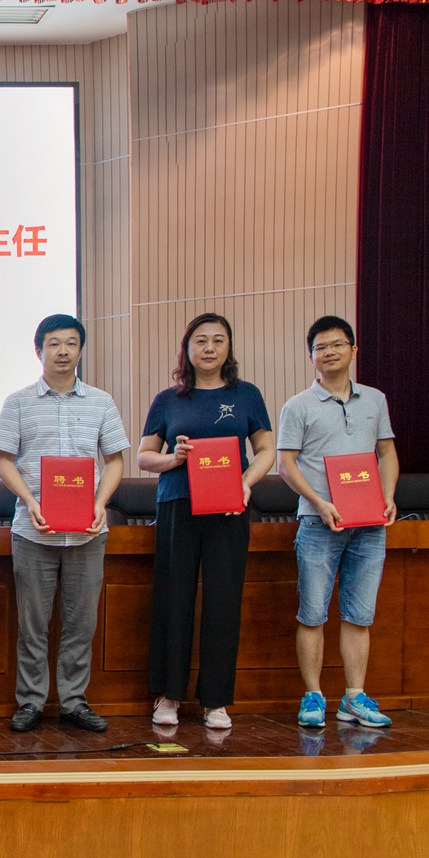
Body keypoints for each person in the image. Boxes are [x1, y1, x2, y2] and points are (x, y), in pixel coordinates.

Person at [0, 314, 128, 734]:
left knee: (81, 623)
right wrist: (30, 501)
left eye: (71, 343)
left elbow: (115, 460)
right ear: (39, 351)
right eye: (54, 343)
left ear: (80, 349)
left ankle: (73, 702)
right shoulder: (18, 402)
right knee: (32, 623)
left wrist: (101, 503)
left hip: (87, 531)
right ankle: (31, 701)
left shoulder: (101, 402)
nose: (63, 351)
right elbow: (3, 459)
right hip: (34, 531)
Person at [138, 313, 275, 730]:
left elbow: (266, 450)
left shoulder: (247, 395)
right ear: (188, 348)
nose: (209, 348)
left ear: (228, 347)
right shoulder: (168, 399)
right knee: (173, 598)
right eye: (200, 340)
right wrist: (173, 458)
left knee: (223, 601)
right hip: (178, 504)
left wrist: (246, 482)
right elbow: (144, 457)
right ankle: (169, 695)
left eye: (218, 340)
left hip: (229, 508)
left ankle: (216, 700)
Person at [277, 315, 399, 730]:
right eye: (320, 347)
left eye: (337, 345)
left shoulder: (375, 400)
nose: (329, 352)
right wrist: (319, 502)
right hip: (318, 523)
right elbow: (286, 464)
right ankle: (313, 696)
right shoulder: (297, 405)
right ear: (311, 356)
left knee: (360, 615)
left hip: (368, 525)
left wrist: (387, 495)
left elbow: (386, 453)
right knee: (312, 613)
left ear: (353, 350)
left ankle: (354, 697)